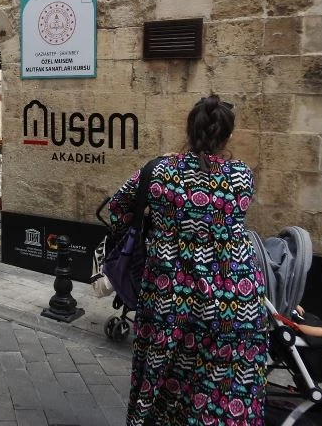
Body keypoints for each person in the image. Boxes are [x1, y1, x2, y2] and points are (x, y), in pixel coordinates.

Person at [108, 95, 268, 425]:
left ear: (189, 129)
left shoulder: (159, 171)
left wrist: (157, 226)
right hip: (234, 298)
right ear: (228, 136)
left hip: (171, 296)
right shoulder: (242, 176)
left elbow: (118, 209)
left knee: (164, 379)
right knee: (223, 388)